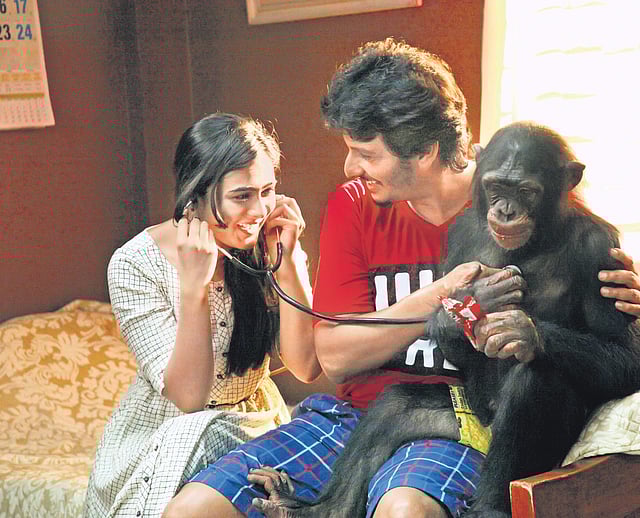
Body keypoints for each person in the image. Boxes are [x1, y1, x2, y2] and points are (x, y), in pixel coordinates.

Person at [164, 39, 640, 518]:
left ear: (426, 150)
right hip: (377, 412)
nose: (351, 168)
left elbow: (605, 343)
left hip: (482, 420)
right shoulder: (376, 209)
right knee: (194, 509)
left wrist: (563, 327)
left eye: (366, 153)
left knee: (405, 506)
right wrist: (449, 299)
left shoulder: (543, 212)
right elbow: (333, 357)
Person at [83, 112, 322, 518]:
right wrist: (194, 289)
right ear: (195, 195)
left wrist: (288, 262)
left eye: (267, 191)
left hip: (254, 425)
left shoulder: (268, 243)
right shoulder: (134, 264)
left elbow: (306, 366)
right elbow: (190, 398)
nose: (259, 210)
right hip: (169, 432)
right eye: (242, 196)